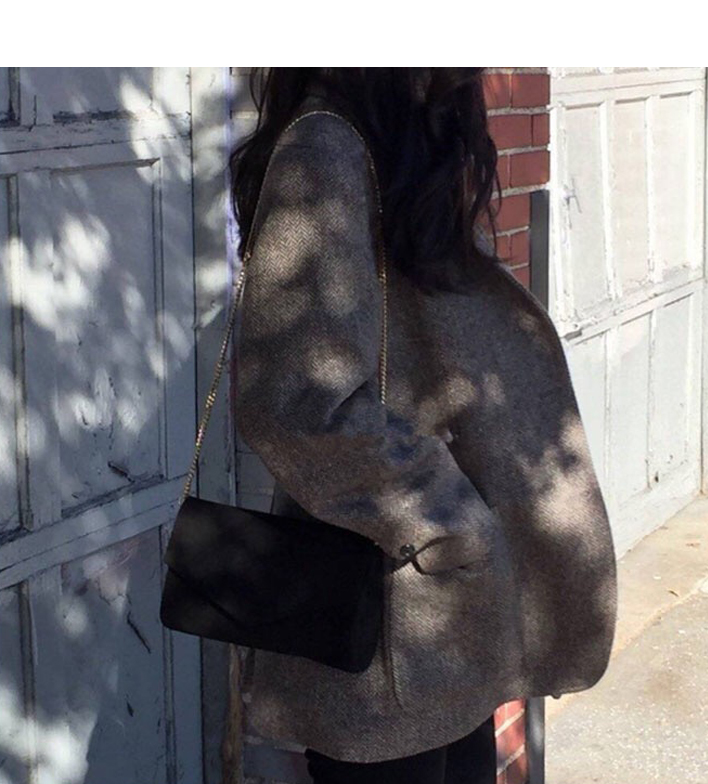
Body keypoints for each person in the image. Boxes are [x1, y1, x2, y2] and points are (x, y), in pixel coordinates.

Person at [229, 68, 618, 782]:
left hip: (440, 616)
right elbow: (294, 402)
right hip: (386, 618)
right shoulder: (326, 147)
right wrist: (448, 521)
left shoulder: (399, 138)